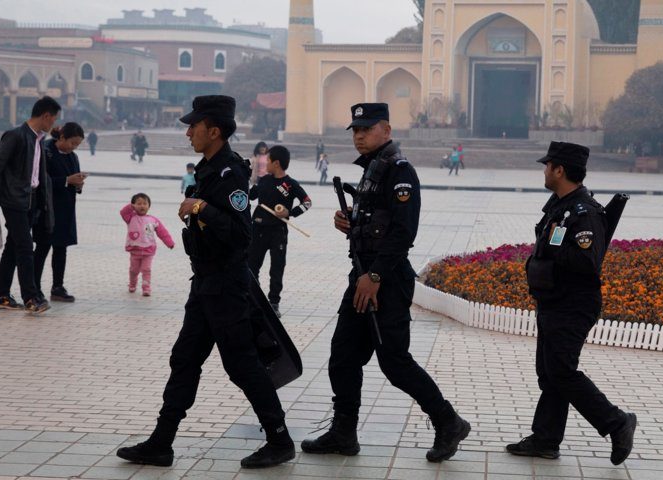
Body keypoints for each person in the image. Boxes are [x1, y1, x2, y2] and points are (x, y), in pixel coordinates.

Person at [116, 95, 295, 469]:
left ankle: (279, 440)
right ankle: (161, 443)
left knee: (242, 364)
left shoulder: (230, 173)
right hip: (206, 283)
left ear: (214, 130)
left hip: (227, 286)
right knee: (184, 360)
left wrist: (201, 208)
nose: (188, 132)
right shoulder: (207, 169)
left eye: (193, 126)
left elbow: (240, 233)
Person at [301, 103, 470, 462]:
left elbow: (403, 232)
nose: (359, 135)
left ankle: (448, 421)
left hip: (386, 281)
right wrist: (350, 221)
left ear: (387, 130)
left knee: (395, 362)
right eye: (355, 130)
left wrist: (375, 276)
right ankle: (343, 433)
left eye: (366, 128)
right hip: (362, 277)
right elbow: (378, 223)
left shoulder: (399, 172)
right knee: (343, 356)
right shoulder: (372, 171)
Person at [506, 141, 637, 464]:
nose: (545, 171)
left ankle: (616, 422)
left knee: (562, 371)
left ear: (560, 170)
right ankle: (546, 438)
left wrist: (553, 251)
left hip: (573, 304)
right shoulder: (560, 206)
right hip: (553, 301)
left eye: (548, 166)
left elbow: (587, 262)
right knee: (549, 373)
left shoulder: (584, 213)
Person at [0, 96, 61, 314]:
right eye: (53, 119)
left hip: (30, 201)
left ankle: (1, 294)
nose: (53, 124)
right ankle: (31, 298)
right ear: (45, 116)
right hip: (14, 200)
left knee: (14, 247)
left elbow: (38, 174)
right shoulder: (15, 136)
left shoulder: (38, 140)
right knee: (25, 247)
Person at [247, 145, 312, 317]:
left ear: (276, 163)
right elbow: (248, 196)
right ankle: (254, 298)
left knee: (277, 268)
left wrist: (289, 213)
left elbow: (307, 203)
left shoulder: (290, 184)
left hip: (278, 232)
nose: (265, 163)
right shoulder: (263, 180)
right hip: (258, 229)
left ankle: (274, 303)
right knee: (252, 265)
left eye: (267, 160)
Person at [34, 123, 86, 303]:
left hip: (65, 209)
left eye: (77, 145)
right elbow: (40, 180)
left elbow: (74, 180)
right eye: (72, 143)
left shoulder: (73, 157)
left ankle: (58, 287)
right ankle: (34, 288)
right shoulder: (45, 151)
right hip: (47, 209)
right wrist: (65, 180)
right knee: (42, 248)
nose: (74, 147)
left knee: (61, 248)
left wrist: (78, 184)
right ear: (62, 137)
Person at [120, 193, 175, 296]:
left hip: (148, 250)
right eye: (139, 203)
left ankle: (146, 287)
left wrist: (169, 243)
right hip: (135, 249)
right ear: (133, 206)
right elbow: (123, 212)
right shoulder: (130, 218)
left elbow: (162, 232)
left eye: (145, 203)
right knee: (134, 270)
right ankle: (132, 284)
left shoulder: (153, 220)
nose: (142, 206)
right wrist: (131, 207)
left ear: (149, 206)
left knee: (146, 269)